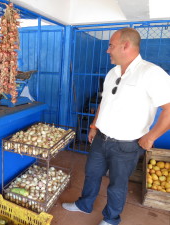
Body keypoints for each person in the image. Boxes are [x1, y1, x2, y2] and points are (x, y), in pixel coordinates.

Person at [62, 28, 170, 225]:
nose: (107, 50)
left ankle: (111, 219)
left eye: (111, 45)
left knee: (117, 185)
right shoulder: (112, 72)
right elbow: (104, 102)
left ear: (125, 45)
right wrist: (94, 126)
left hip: (126, 145)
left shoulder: (151, 73)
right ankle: (84, 204)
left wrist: (151, 136)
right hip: (101, 138)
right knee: (92, 174)